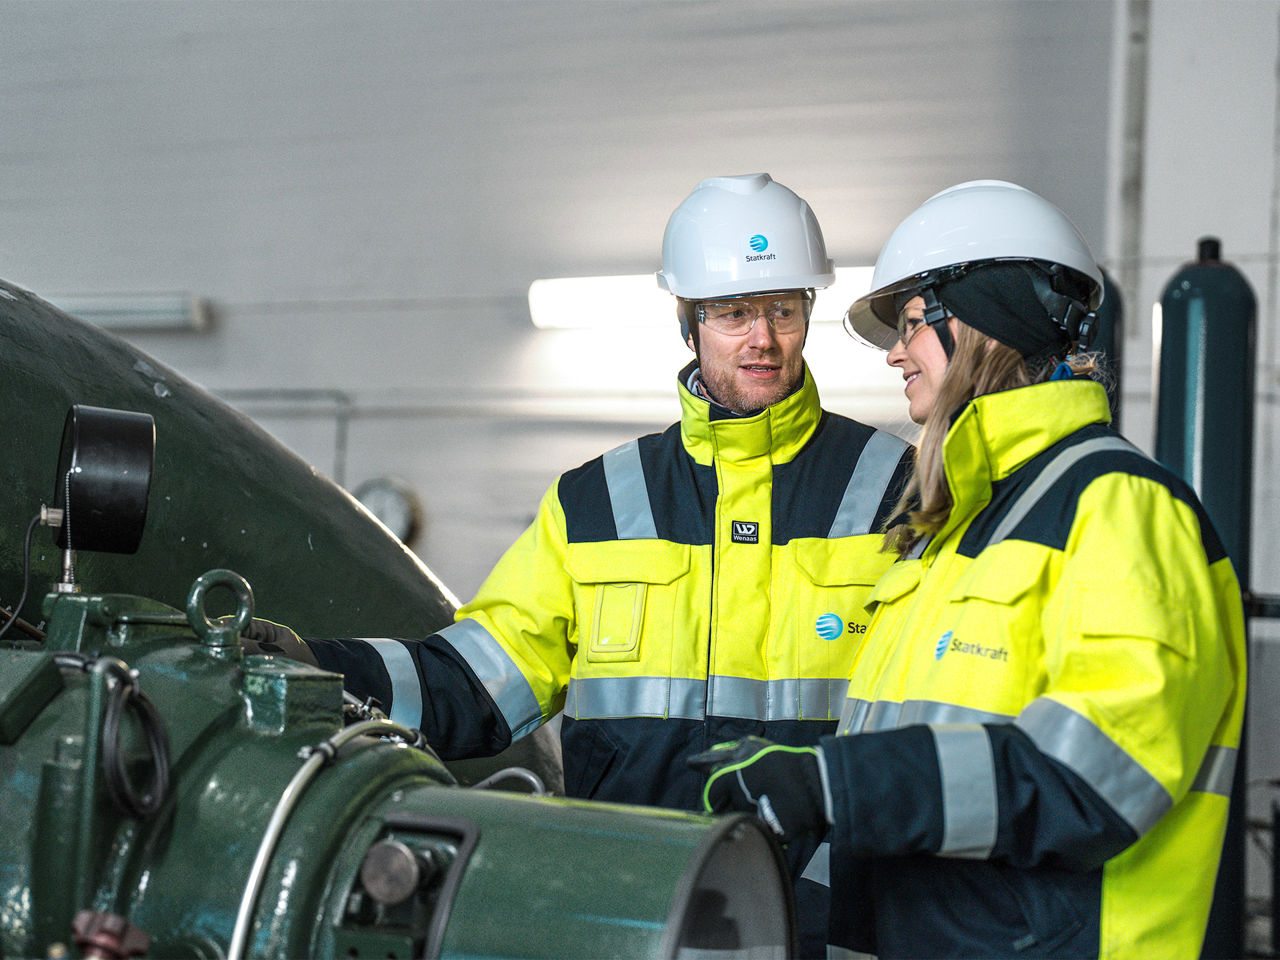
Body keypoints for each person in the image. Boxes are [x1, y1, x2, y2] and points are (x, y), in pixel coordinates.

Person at [246, 173, 913, 955]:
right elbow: (476, 679)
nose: (762, 338)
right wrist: (319, 669)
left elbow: (924, 726)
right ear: (687, 321)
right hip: (628, 918)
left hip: (826, 931)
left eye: (783, 309)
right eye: (733, 312)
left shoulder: (897, 492)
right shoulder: (594, 501)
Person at [690, 180, 1247, 959]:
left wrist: (837, 784)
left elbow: (1100, 774)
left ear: (989, 316)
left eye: (912, 323)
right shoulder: (951, 531)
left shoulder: (1117, 506)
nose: (893, 352)